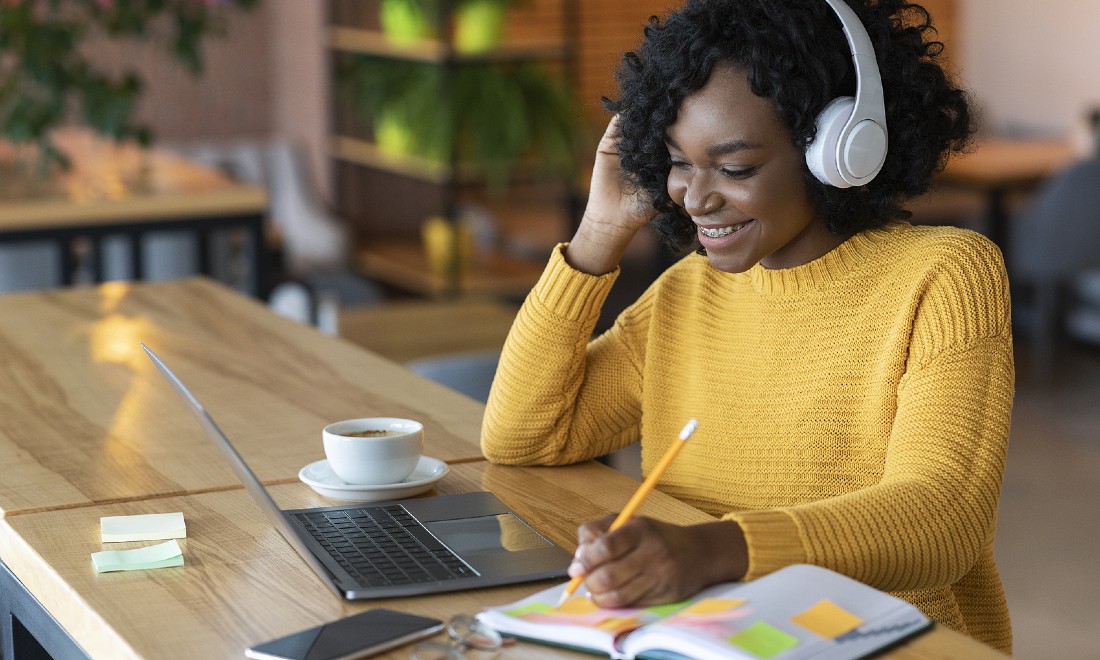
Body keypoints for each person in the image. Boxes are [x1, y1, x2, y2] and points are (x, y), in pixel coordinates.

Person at [481, 0, 1013, 653]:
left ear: (840, 150)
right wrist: (598, 234)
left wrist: (713, 549)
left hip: (881, 641)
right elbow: (524, 436)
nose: (696, 197)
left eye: (734, 168)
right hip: (720, 634)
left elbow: (943, 520)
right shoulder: (687, 292)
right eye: (679, 162)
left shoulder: (945, 276)